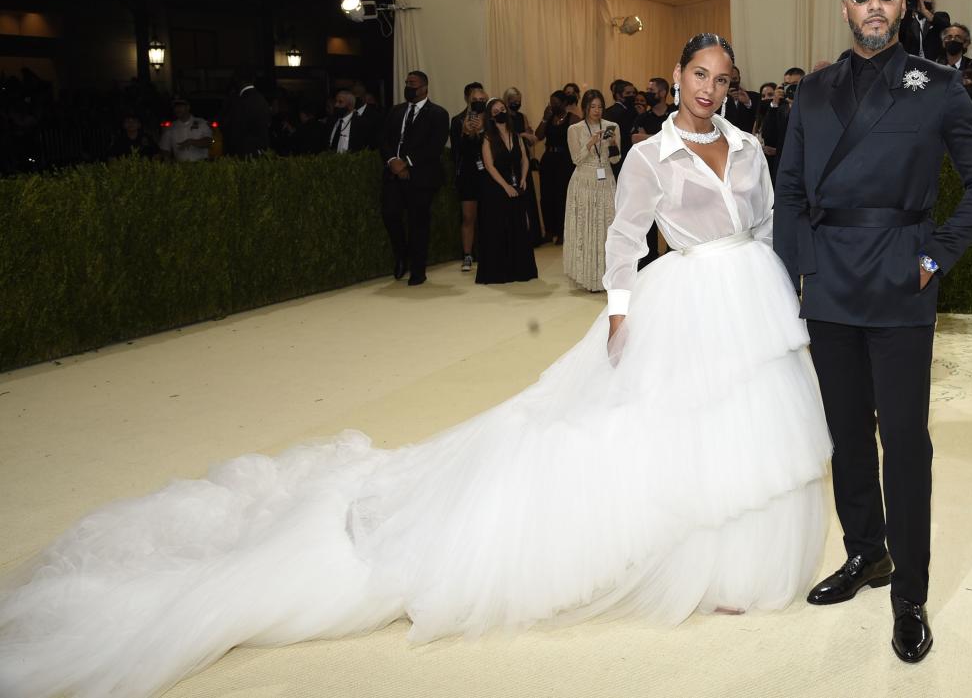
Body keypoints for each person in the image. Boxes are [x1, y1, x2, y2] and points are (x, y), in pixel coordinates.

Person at [0, 34, 831, 698]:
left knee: (745, 431)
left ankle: (730, 566)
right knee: (653, 427)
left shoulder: (751, 149)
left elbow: (760, 226)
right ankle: (669, 555)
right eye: (698, 73)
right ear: (677, 75)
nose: (710, 88)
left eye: (722, 77)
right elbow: (623, 239)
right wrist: (619, 309)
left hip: (744, 296)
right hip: (677, 298)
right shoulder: (648, 155)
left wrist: (774, 289)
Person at [774, 0, 972, 664]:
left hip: (903, 283)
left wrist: (934, 257)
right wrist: (798, 275)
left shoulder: (937, 87)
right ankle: (865, 554)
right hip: (832, 288)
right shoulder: (811, 91)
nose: (873, 5)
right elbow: (788, 193)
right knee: (846, 433)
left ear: (902, 6)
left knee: (904, 441)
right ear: (844, 8)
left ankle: (910, 592)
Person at [380, 70, 449, 285]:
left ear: (424, 88)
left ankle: (418, 269)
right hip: (394, 174)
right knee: (390, 215)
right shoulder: (396, 111)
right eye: (407, 82)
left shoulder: (438, 113)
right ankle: (402, 256)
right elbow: (384, 139)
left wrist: (407, 162)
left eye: (413, 83)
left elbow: (434, 146)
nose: (408, 86)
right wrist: (393, 161)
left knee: (418, 222)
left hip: (422, 177)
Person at [475, 97, 538, 284]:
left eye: (502, 109)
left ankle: (520, 270)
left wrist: (524, 178)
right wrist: (506, 186)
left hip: (517, 185)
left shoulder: (516, 135)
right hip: (496, 188)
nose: (500, 112)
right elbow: (489, 165)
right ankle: (500, 272)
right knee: (499, 229)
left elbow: (524, 159)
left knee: (518, 227)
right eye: (495, 111)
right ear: (491, 116)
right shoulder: (487, 137)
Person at [562, 89, 619, 291]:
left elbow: (615, 159)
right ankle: (587, 277)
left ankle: (607, 275)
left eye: (600, 106)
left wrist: (613, 144)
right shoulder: (575, 129)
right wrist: (590, 143)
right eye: (593, 106)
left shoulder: (612, 126)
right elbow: (575, 159)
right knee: (586, 226)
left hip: (606, 180)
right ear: (585, 107)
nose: (597, 110)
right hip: (584, 181)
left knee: (606, 226)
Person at [449, 82, 490, 271]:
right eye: (476, 100)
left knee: (488, 214)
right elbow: (457, 152)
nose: (479, 103)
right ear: (468, 100)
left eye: (483, 100)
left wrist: (481, 131)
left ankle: (488, 252)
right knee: (468, 216)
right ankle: (467, 255)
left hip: (489, 173)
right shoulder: (458, 121)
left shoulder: (491, 120)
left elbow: (495, 148)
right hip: (468, 174)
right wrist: (466, 133)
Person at [535, 91, 578, 246]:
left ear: (563, 103)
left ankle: (562, 232)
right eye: (550, 102)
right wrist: (545, 118)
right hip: (548, 159)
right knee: (546, 196)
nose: (552, 105)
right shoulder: (549, 118)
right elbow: (538, 135)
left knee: (562, 197)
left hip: (564, 160)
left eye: (555, 102)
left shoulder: (572, 119)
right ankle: (549, 231)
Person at [502, 87, 543, 247]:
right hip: (511, 160)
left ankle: (533, 236)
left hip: (524, 157)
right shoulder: (502, 118)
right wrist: (522, 135)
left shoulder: (522, 117)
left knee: (529, 198)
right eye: (513, 102)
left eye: (518, 101)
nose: (516, 104)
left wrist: (529, 136)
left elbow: (531, 138)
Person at [224, 70, 270, 157]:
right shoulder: (261, 98)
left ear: (238, 81)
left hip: (245, 152)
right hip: (260, 149)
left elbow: (235, 128)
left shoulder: (240, 100)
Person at [159, 97, 213, 162]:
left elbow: (209, 142)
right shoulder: (170, 127)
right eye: (175, 107)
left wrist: (191, 142)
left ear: (188, 107)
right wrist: (166, 158)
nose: (177, 109)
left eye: (180, 106)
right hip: (180, 167)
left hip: (201, 165)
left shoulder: (202, 123)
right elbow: (165, 148)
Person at [603, 79, 637, 167]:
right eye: (628, 93)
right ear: (618, 96)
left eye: (633, 93)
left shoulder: (632, 110)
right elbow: (608, 137)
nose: (632, 95)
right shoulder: (612, 112)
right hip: (618, 158)